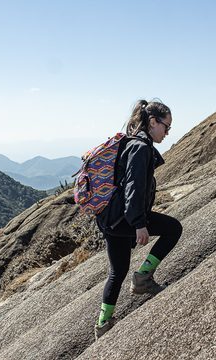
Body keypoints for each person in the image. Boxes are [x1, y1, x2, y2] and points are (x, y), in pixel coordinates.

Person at [94, 99, 183, 340]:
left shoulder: (130, 141)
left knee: (117, 272)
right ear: (153, 122)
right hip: (125, 219)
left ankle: (103, 324)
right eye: (166, 127)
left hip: (111, 219)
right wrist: (139, 224)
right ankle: (143, 277)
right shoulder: (141, 147)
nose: (167, 133)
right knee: (173, 229)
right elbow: (134, 187)